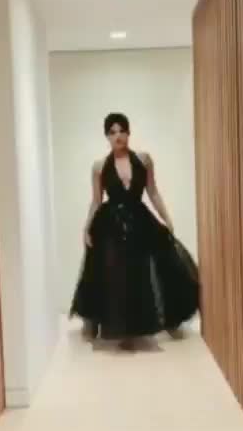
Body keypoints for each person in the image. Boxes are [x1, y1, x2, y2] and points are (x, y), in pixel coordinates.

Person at [70, 112, 199, 344]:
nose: (118, 136)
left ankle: (165, 318)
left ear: (129, 133)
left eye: (122, 130)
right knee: (112, 271)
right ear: (107, 136)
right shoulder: (99, 166)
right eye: (112, 132)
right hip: (110, 223)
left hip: (139, 219)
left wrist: (167, 219)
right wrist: (86, 227)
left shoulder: (143, 159)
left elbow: (153, 191)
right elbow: (96, 200)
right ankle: (106, 322)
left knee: (153, 263)